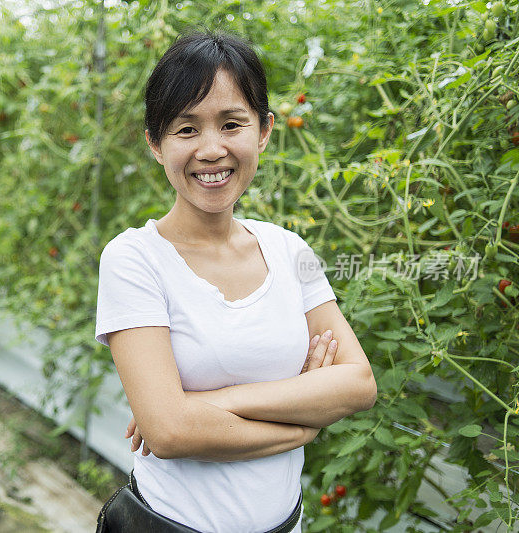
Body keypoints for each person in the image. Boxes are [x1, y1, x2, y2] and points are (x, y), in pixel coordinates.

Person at [94, 30, 377, 532]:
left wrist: (209, 405)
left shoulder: (292, 251)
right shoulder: (133, 259)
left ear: (263, 131)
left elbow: (358, 383)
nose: (211, 149)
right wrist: (304, 416)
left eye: (232, 124)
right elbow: (170, 433)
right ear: (155, 144)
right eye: (186, 130)